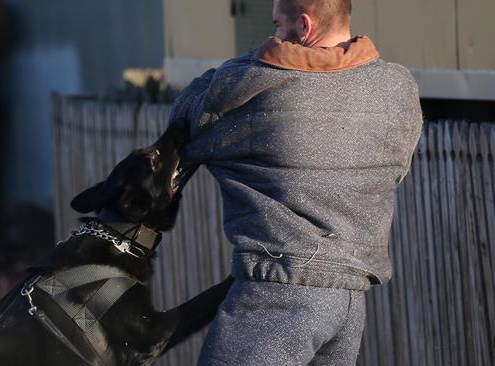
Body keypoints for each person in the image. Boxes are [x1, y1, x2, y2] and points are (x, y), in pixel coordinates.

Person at [168, 0, 423, 365]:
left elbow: (185, 117)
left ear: (304, 26)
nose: (273, 36)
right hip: (349, 303)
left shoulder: (249, 86)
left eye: (277, 26)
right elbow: (398, 170)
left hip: (275, 297)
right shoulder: (397, 88)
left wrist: (265, 55)